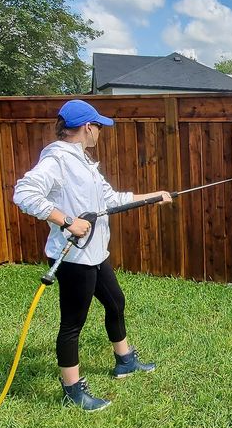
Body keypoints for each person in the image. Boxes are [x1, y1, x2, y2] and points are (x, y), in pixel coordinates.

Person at [12, 99, 172, 411]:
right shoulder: (57, 159)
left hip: (96, 254)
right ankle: (72, 390)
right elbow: (24, 193)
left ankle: (125, 360)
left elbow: (111, 200)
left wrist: (154, 196)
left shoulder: (84, 162)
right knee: (73, 323)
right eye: (98, 126)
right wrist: (67, 220)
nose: (99, 131)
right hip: (73, 258)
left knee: (115, 302)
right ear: (87, 127)